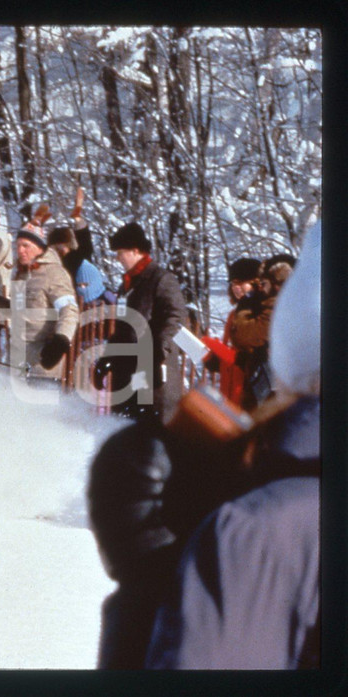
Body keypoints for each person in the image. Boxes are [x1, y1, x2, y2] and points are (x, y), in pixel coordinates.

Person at [141, 222, 320, 669]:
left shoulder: (251, 527)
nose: (242, 288)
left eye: (247, 281)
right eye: (238, 283)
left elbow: (245, 345)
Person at [93, 222, 186, 422]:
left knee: (152, 431)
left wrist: (160, 350)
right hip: (127, 373)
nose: (117, 258)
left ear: (136, 251)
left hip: (153, 372)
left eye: (121, 253)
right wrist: (107, 358)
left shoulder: (161, 279)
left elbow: (176, 318)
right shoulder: (127, 285)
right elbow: (122, 329)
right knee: (126, 430)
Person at [0, 205, 79, 378]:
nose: (20, 250)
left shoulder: (54, 273)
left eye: (26, 246)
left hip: (42, 361)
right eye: (18, 245)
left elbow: (69, 310)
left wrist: (61, 340)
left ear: (39, 248)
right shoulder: (21, 274)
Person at [229, 253, 296, 411]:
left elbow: (244, 336)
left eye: (263, 283)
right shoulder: (270, 305)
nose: (261, 287)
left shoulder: (277, 306)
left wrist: (245, 304)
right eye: (233, 283)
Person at [200, 257, 261, 405]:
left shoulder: (262, 315)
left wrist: (223, 352)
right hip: (229, 393)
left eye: (240, 282)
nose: (236, 287)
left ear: (256, 282)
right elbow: (230, 354)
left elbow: (252, 359)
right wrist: (214, 359)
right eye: (233, 283)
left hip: (251, 395)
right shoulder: (233, 315)